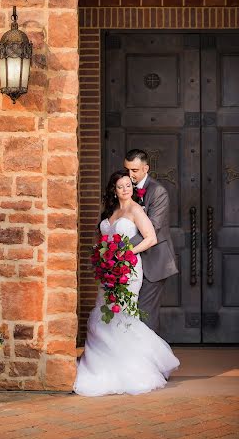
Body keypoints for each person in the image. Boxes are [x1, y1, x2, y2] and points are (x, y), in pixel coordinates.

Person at [74, 170, 179, 396]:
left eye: (128, 186)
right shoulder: (111, 211)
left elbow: (150, 238)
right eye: (120, 186)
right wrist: (102, 257)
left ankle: (132, 365)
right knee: (102, 311)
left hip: (129, 269)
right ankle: (101, 363)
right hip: (108, 269)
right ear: (114, 189)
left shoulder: (136, 210)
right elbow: (102, 239)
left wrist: (125, 253)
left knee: (121, 313)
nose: (125, 190)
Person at [124, 150, 178, 333]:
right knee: (129, 312)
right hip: (132, 264)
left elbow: (153, 227)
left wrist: (120, 248)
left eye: (135, 170)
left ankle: (150, 361)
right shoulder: (125, 189)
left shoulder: (158, 191)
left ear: (146, 168)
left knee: (145, 313)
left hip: (153, 261)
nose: (130, 175)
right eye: (127, 170)